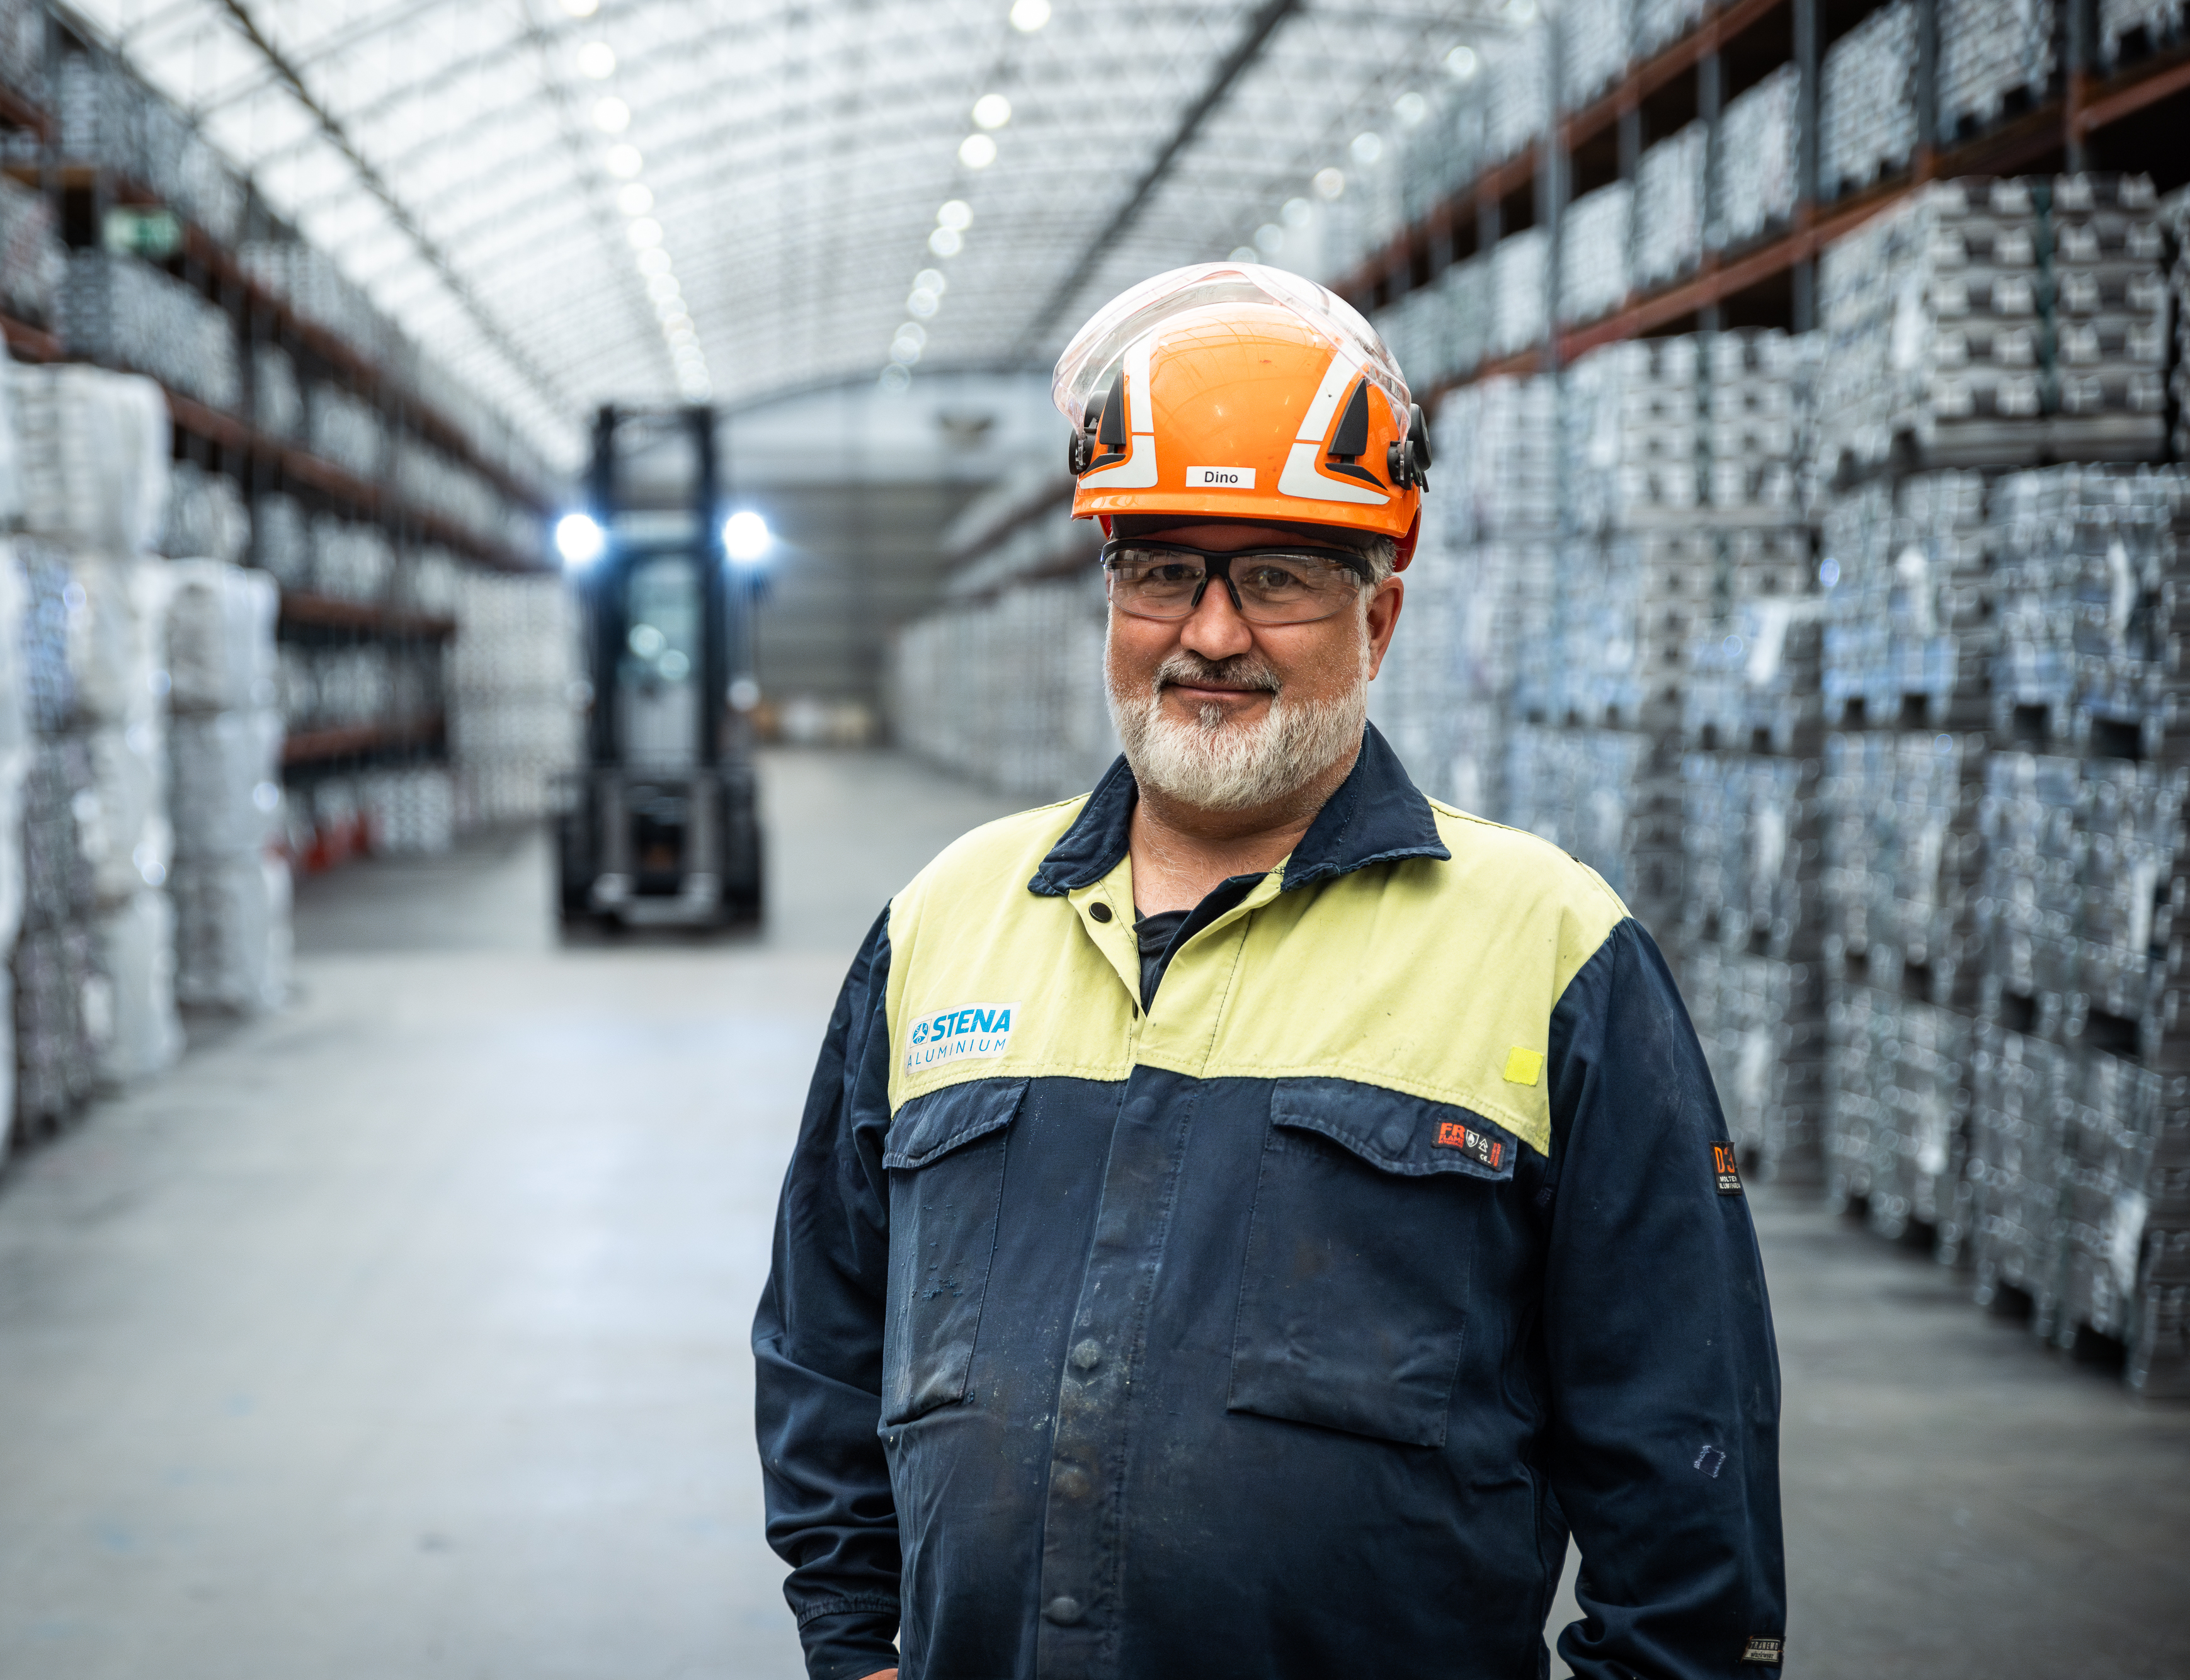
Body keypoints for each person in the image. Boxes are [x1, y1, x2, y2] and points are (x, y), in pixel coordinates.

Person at [753, 263, 1785, 1680]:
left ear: (1379, 617)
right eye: (1161, 568)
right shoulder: (943, 920)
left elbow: (1686, 1470)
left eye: (1280, 574)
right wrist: (853, 1644)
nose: (1212, 631)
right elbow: (823, 1336)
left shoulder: (1550, 948)